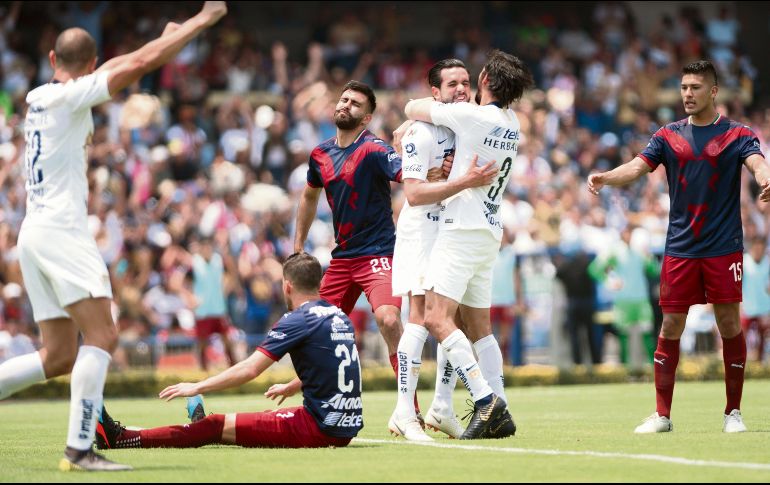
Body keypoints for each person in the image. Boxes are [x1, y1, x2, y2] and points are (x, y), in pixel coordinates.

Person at [0, 2, 228, 471]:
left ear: (50, 60)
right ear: (88, 65)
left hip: (35, 233)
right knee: (103, 334)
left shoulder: (41, 96)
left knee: (60, 354)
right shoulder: (71, 97)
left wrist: (160, 42)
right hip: (62, 232)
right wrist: (198, 23)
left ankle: (80, 446)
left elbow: (120, 67)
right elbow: (134, 66)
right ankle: (80, 450)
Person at [587, 60, 770, 434]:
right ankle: (662, 415)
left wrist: (766, 178)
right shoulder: (668, 135)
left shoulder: (738, 134)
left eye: (695, 87)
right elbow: (637, 167)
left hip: (723, 246)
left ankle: (732, 413)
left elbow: (756, 163)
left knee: (729, 323)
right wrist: (605, 177)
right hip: (680, 248)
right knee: (671, 325)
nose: (687, 94)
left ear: (713, 91)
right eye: (684, 87)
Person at [94, 253, 362, 451]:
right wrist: (295, 384)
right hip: (344, 426)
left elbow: (249, 369)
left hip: (319, 428)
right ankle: (198, 423)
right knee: (257, 419)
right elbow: (336, 364)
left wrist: (197, 386)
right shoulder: (338, 315)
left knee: (214, 428)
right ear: (319, 282)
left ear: (287, 285)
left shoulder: (297, 319)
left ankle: (121, 438)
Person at [403, 49, 534, 439]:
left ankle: (485, 400)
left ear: (485, 82)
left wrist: (409, 118)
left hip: (459, 228)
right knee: (481, 329)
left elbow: (413, 106)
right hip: (489, 230)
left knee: (435, 318)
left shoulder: (471, 116)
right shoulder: (512, 122)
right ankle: (501, 403)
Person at [389, 58, 498, 441]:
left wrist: (454, 176)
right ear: (434, 93)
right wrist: (464, 179)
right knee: (420, 315)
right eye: (452, 84)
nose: (461, 89)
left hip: (449, 229)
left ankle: (442, 407)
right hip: (422, 229)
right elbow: (415, 194)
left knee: (453, 321)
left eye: (466, 82)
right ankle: (405, 412)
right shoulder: (420, 132)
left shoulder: (463, 122)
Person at [293, 81, 408, 407]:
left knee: (388, 319)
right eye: (343, 99)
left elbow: (404, 175)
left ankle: (407, 407)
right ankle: (314, 402)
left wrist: (412, 155)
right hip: (342, 259)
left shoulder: (374, 149)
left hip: (379, 255)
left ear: (366, 118)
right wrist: (298, 246)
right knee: (314, 330)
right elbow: (308, 196)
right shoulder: (320, 153)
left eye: (355, 104)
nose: (346, 105)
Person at [190, 236, 237, 371]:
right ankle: (203, 371)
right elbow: (179, 282)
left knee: (227, 341)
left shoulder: (218, 260)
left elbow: (232, 274)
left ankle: (233, 370)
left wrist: (226, 289)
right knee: (203, 343)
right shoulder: (194, 262)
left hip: (218, 308)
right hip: (203, 310)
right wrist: (190, 298)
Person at [740, 237, 770, 362]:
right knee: (741, 337)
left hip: (764, 308)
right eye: (756, 248)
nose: (758, 251)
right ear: (751, 249)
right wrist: (740, 305)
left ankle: (760, 364)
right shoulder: (744, 262)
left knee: (763, 339)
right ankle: (740, 362)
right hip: (747, 307)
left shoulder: (768, 262)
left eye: (761, 249)